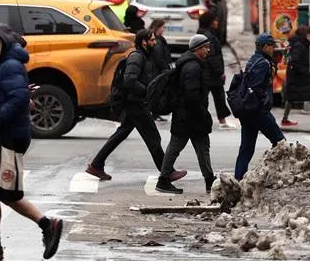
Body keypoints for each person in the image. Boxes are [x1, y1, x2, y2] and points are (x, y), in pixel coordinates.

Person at [0, 23, 62, 261]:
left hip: (4, 138)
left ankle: (47, 225)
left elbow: (18, 98)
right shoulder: (3, 65)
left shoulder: (9, 66)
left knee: (6, 194)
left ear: (5, 44)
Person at [85, 30, 185, 182]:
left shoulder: (144, 56)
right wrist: (147, 91)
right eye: (152, 40)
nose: (154, 43)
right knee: (153, 138)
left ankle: (96, 165)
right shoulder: (137, 57)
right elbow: (130, 80)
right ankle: (167, 172)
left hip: (136, 103)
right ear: (144, 42)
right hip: (136, 104)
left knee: (121, 134)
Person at [155, 34, 216, 195]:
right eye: (206, 47)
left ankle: (209, 180)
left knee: (197, 148)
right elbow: (191, 96)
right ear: (197, 49)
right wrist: (203, 114)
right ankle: (164, 180)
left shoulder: (191, 64)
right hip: (190, 117)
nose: (208, 50)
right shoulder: (192, 68)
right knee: (184, 148)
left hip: (186, 116)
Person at [234, 33, 287, 180]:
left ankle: (238, 178)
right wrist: (264, 103)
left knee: (246, 147)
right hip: (258, 111)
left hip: (248, 110)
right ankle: (279, 176)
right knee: (280, 142)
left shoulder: (253, 60)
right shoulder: (263, 63)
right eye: (271, 46)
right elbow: (256, 88)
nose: (273, 49)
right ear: (264, 47)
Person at [281, 26, 310, 126]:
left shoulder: (298, 43)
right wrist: (302, 70)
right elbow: (295, 59)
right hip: (298, 74)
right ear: (305, 35)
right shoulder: (299, 45)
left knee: (308, 93)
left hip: (296, 73)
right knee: (309, 92)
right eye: (309, 35)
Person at [198, 12, 232, 128]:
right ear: (210, 22)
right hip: (211, 73)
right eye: (215, 20)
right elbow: (213, 56)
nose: (217, 22)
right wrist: (220, 72)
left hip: (208, 72)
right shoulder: (209, 37)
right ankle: (220, 120)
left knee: (211, 96)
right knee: (217, 96)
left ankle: (220, 119)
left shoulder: (205, 34)